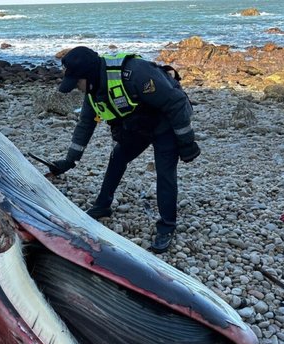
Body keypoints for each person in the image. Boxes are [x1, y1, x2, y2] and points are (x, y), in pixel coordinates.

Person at [51, 46, 200, 253]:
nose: (76, 87)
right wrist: (70, 160)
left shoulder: (134, 73)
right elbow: (85, 125)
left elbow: (175, 102)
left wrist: (186, 142)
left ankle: (167, 226)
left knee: (165, 172)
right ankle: (102, 205)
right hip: (140, 125)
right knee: (118, 156)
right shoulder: (93, 90)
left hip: (167, 122)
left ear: (89, 75)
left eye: (77, 82)